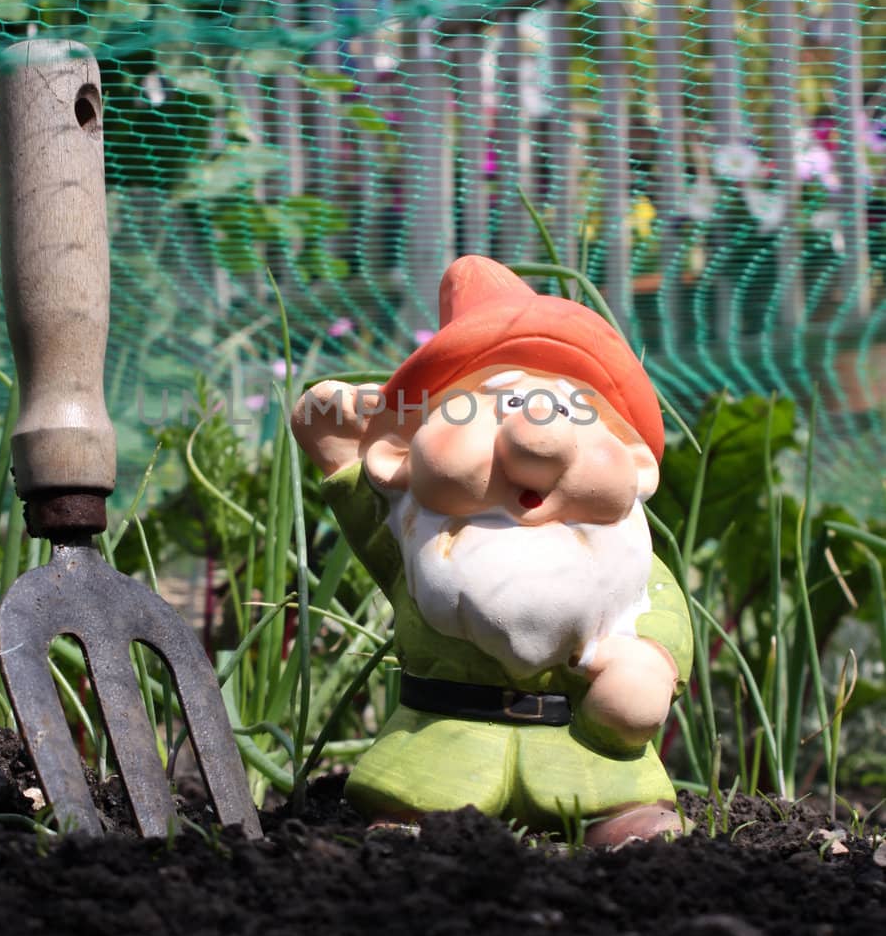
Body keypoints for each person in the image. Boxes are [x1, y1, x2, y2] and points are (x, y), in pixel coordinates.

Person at [292, 255, 693, 846]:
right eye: (488, 402)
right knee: (415, 816)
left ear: (635, 465)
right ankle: (411, 826)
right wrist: (342, 457)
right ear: (400, 459)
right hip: (438, 750)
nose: (538, 440)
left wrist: (649, 665)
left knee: (635, 818)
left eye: (576, 409)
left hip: (592, 759)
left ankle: (627, 824)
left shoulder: (628, 566)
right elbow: (366, 518)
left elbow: (661, 617)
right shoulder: (425, 542)